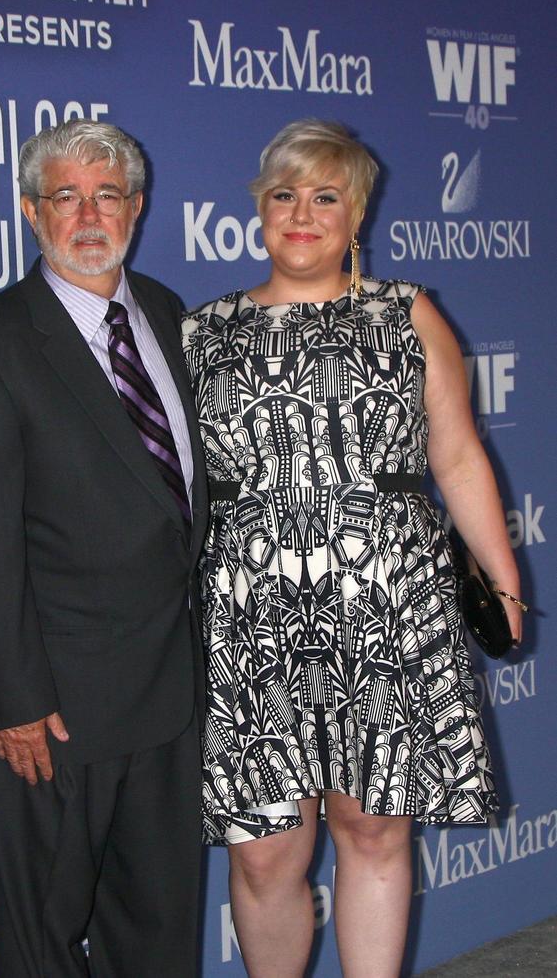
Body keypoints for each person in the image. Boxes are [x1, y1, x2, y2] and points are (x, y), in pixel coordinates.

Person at [182, 118, 522, 978]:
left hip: (386, 606)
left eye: (324, 196)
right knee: (264, 851)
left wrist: (505, 585)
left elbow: (454, 453)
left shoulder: (404, 312)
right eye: (283, 195)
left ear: (356, 214)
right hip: (251, 617)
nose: (302, 213)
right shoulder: (201, 332)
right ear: (258, 210)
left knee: (372, 827)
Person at [0, 118, 207, 976]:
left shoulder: (169, 315)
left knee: (161, 923)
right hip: (57, 707)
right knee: (41, 942)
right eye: (66, 196)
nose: (88, 215)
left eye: (108, 196)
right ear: (30, 212)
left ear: (137, 206)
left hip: (172, 691)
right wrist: (14, 695)